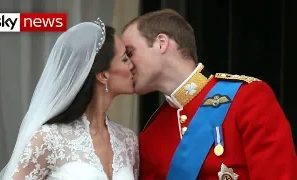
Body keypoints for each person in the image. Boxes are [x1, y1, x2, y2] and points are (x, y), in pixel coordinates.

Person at [121, 9, 296, 180]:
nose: (127, 65)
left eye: (130, 53)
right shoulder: (152, 133)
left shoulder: (248, 97)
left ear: (161, 43)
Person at [0, 18, 139, 180]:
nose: (132, 65)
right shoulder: (48, 139)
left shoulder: (128, 141)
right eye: (125, 59)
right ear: (103, 75)